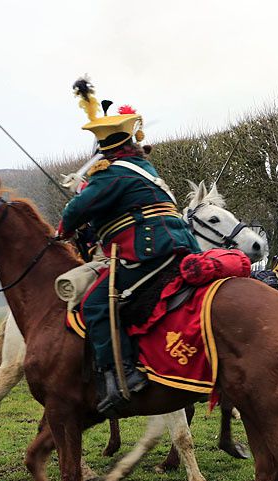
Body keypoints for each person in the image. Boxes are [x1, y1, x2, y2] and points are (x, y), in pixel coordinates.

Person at [57, 78, 201, 413]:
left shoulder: (111, 175)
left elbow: (77, 211)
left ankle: (122, 372)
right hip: (181, 245)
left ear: (104, 150)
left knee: (94, 304)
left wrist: (67, 220)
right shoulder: (143, 167)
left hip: (150, 251)